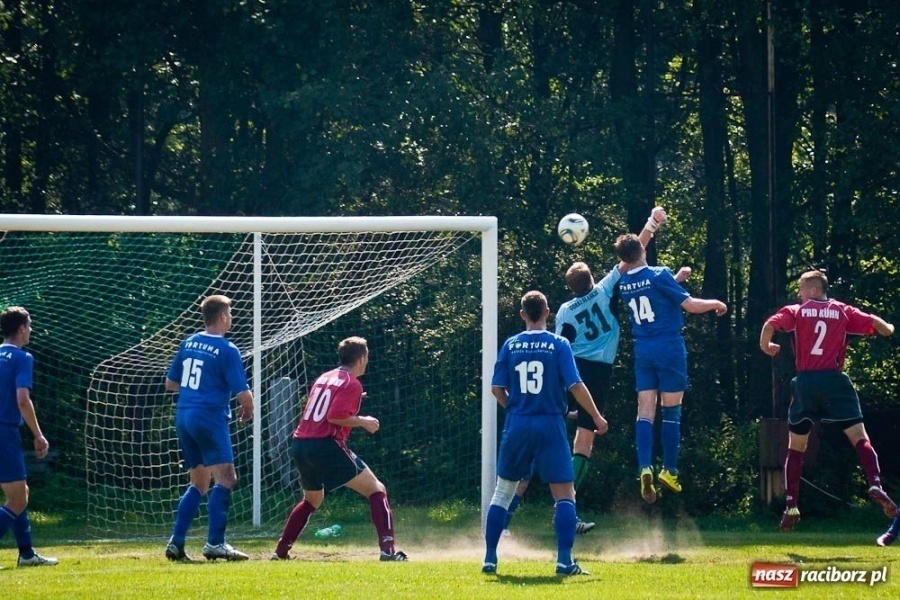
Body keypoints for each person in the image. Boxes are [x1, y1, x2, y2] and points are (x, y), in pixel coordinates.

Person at [504, 208, 689, 533]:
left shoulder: (562, 310)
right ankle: (566, 509)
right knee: (583, 443)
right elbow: (633, 257)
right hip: (595, 376)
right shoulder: (604, 290)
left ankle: (507, 514)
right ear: (591, 280)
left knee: (536, 445)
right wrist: (652, 223)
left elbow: (559, 346)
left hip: (567, 373)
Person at [759, 270, 897, 532]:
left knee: (796, 446)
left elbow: (769, 326)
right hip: (835, 382)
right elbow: (878, 324)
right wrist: (889, 329)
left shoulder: (797, 311)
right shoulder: (843, 310)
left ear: (812, 290)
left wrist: (767, 345)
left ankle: (791, 505)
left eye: (801, 288)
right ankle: (875, 483)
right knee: (860, 437)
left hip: (806, 382)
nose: (799, 294)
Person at [483, 290, 607, 576]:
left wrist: (515, 407)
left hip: (518, 423)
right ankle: (564, 562)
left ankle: (490, 558)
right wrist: (597, 416)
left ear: (523, 315)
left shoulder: (511, 344)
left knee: (502, 492)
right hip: (550, 424)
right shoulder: (559, 344)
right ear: (548, 313)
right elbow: (575, 385)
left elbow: (496, 388)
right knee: (564, 494)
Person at [614, 233, 727, 504]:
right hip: (669, 346)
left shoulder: (625, 282)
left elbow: (653, 297)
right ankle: (669, 469)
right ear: (642, 248)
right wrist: (715, 303)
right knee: (672, 409)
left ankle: (644, 466)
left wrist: (677, 279)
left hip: (643, 348)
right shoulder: (658, 273)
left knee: (644, 409)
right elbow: (689, 305)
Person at [272, 336, 407, 562]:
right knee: (376, 489)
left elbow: (325, 407)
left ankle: (280, 552)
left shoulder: (325, 377)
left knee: (311, 501)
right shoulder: (352, 383)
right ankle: (388, 551)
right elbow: (335, 416)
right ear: (362, 358)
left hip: (301, 444)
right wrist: (363, 420)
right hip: (325, 445)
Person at [164, 294, 254, 561]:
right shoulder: (228, 349)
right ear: (223, 316)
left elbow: (171, 383)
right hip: (209, 416)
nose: (232, 318)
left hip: (184, 415)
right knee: (227, 478)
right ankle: (215, 542)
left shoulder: (189, 342)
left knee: (198, 482)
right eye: (231, 313)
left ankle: (176, 542)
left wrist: (197, 390)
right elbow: (244, 395)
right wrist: (248, 409)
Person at [0, 306, 58, 567]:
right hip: (4, 431)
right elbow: (23, 399)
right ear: (22, 328)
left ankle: (26, 554)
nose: (31, 330)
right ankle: (26, 554)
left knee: (19, 492)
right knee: (18, 499)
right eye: (30, 325)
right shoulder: (23, 358)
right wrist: (38, 435)